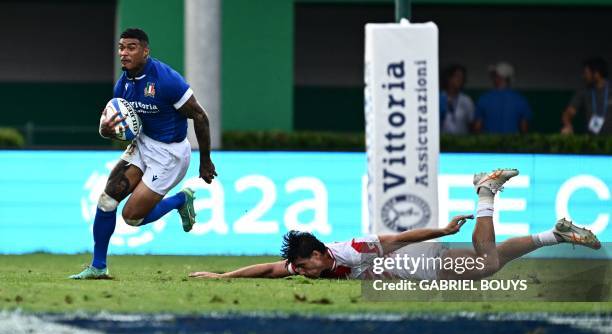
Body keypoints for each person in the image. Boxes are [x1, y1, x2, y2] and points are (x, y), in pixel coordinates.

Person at [190, 169, 600, 281]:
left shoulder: (354, 249)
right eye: (299, 269)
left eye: (304, 266)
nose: (301, 273)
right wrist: (223, 277)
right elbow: (267, 269)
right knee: (491, 260)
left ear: (319, 254)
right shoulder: (310, 264)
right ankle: (555, 234)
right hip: (416, 268)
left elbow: (399, 238)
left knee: (488, 265)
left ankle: (486, 193)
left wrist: (440, 231)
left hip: (420, 263)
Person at [70, 28, 217, 279]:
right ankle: (98, 266)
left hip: (170, 155)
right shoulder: (123, 85)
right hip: (143, 144)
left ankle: (180, 200)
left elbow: (200, 117)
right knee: (107, 200)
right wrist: (109, 131)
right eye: (121, 47)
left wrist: (205, 160)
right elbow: (125, 128)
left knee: (132, 218)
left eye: (131, 47)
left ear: (145, 51)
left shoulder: (167, 80)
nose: (124, 53)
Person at [474, 62, 532, 134]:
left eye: (495, 75)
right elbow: (524, 130)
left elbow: (477, 129)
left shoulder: (484, 99)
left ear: (501, 77)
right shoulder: (521, 100)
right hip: (513, 144)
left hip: (489, 144)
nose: (492, 78)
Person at [561, 57, 612, 135]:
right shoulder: (584, 91)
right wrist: (568, 125)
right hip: (591, 142)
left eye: (586, 73)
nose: (583, 76)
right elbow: (568, 112)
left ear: (596, 74)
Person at [440, 64, 475, 134]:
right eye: (457, 76)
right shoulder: (438, 98)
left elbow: (472, 124)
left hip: (462, 143)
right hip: (442, 142)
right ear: (448, 78)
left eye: (462, 77)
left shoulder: (467, 100)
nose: (460, 80)